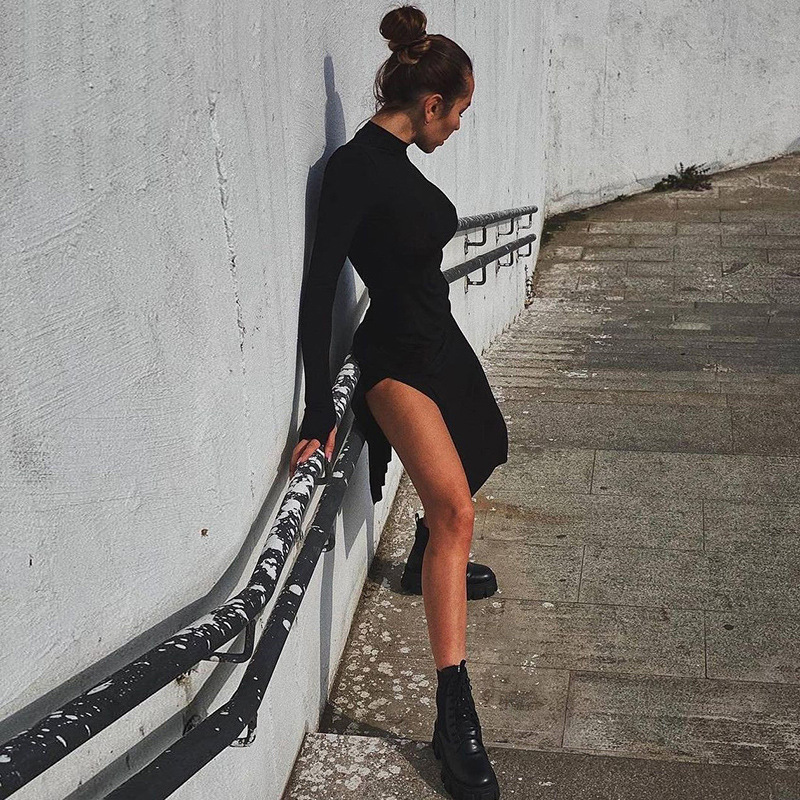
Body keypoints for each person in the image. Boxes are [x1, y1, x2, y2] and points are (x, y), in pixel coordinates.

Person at [290, 5, 507, 799]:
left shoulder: (400, 162)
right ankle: (454, 716)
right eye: (460, 112)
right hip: (394, 360)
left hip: (438, 339)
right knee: (455, 509)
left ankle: (424, 559)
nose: (460, 126)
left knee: (488, 443)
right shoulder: (356, 168)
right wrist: (321, 410)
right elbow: (320, 289)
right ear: (431, 104)